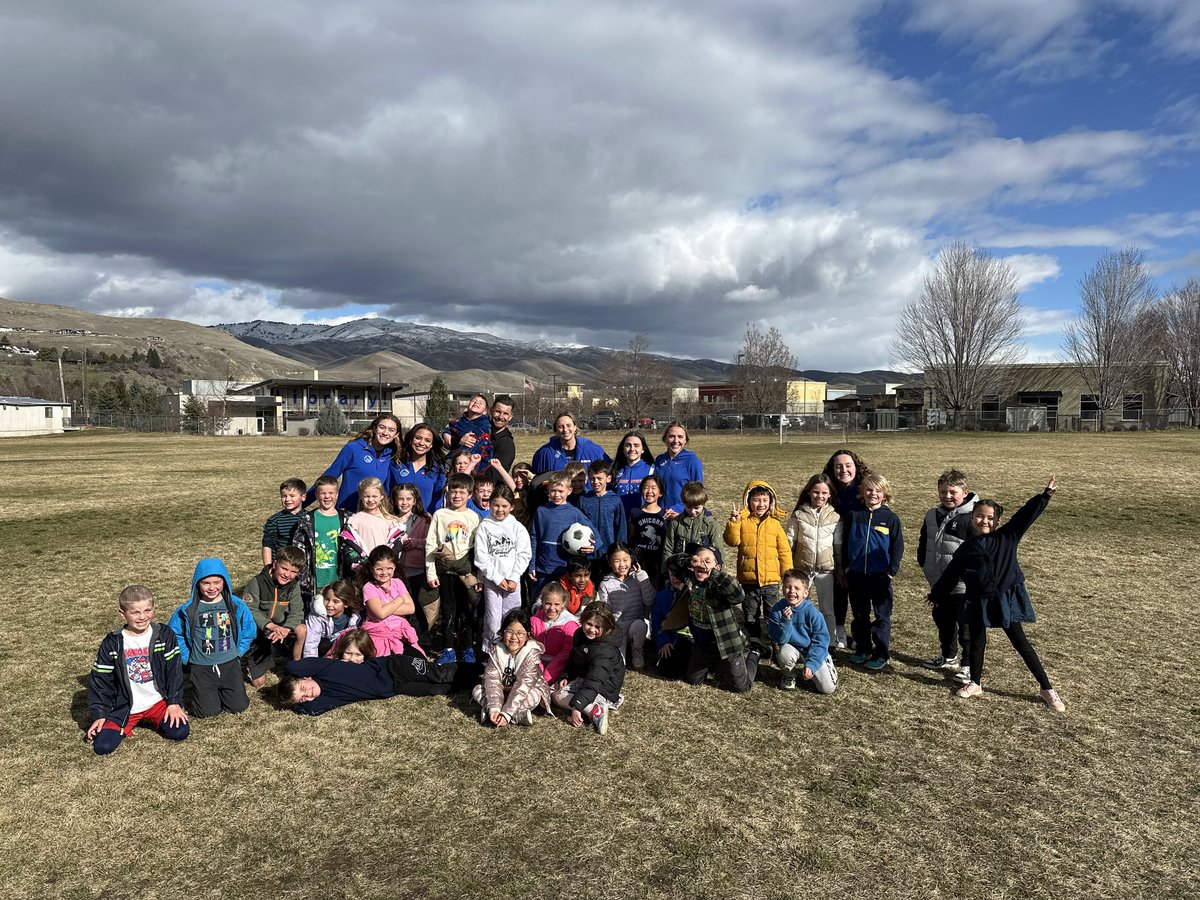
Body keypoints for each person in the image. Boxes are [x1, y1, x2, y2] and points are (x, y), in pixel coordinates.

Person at [929, 477, 1066, 711]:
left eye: (990, 518)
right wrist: (936, 594)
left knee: (1020, 642)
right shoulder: (966, 549)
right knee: (977, 641)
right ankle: (975, 682)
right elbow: (951, 574)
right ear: (972, 518)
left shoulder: (1007, 536)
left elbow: (1025, 516)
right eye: (980, 516)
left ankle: (1046, 688)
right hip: (977, 599)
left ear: (998, 521)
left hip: (1004, 598)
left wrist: (1044, 496)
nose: (984, 520)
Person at [86, 585, 189, 755]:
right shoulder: (112, 643)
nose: (142, 617)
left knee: (180, 732)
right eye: (135, 612)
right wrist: (100, 715)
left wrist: (174, 702)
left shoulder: (164, 634)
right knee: (102, 747)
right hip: (125, 706)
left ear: (153, 609)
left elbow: (174, 672)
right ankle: (127, 722)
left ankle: (156, 718)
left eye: (147, 610)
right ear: (122, 613)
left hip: (157, 702)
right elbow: (100, 681)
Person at [167, 558, 255, 718]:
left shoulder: (235, 605)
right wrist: (188, 658)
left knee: (239, 707)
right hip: (201, 667)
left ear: (225, 582)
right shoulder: (187, 610)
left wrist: (239, 651)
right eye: (206, 583)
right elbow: (174, 635)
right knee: (207, 712)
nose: (212, 587)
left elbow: (249, 629)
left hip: (230, 664)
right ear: (197, 584)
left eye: (217, 582)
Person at [917, 469, 977, 679]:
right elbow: (924, 541)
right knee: (943, 621)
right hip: (939, 583)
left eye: (952, 492)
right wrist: (924, 562)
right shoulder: (932, 515)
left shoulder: (972, 517)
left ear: (965, 491)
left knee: (966, 628)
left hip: (963, 586)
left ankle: (969, 665)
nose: (947, 496)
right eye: (943, 492)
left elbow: (977, 552)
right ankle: (948, 656)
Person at [843, 474, 904, 671]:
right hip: (857, 575)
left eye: (878, 491)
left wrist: (890, 572)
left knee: (881, 617)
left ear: (885, 494)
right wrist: (846, 566)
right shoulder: (854, 515)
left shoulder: (890, 518)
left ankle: (881, 653)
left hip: (880, 577)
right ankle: (863, 649)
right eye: (869, 490)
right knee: (860, 615)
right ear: (862, 492)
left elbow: (897, 547)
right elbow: (845, 543)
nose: (873, 494)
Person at [679, 545, 758, 693]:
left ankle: (753, 655)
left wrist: (713, 573)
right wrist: (689, 561)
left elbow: (738, 595)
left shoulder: (720, 585)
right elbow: (672, 563)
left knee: (743, 688)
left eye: (707, 561)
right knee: (693, 681)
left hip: (728, 645)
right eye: (698, 560)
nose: (702, 564)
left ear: (718, 567)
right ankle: (714, 663)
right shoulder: (691, 580)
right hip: (703, 646)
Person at [279, 652, 460, 716]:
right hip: (396, 687)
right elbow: (310, 710)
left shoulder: (323, 668)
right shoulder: (328, 698)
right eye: (303, 698)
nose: (308, 694)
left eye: (303, 688)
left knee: (440, 674)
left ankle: (482, 670)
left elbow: (292, 666)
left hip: (393, 667)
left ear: (306, 677)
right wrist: (295, 702)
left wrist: (287, 677)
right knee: (438, 689)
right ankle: (479, 684)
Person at [723, 479, 791, 647]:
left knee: (772, 613)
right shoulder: (742, 522)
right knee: (750, 613)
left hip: (771, 580)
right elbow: (731, 541)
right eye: (756, 500)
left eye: (764, 500)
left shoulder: (775, 524)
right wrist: (734, 523)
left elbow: (784, 551)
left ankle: (774, 641)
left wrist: (787, 574)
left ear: (770, 501)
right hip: (749, 580)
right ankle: (754, 639)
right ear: (748, 501)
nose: (761, 504)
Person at [425, 472, 483, 664]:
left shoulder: (474, 517)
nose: (457, 496)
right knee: (448, 611)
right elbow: (431, 544)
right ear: (448, 492)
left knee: (467, 611)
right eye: (453, 491)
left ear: (470, 494)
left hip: (466, 573)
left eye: (462, 492)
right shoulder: (440, 515)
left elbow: (479, 550)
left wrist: (479, 577)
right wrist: (431, 572)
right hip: (445, 573)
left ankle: (468, 648)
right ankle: (448, 648)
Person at [783, 473, 844, 646]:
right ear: (809, 492)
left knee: (827, 609)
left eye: (824, 493)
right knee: (799, 606)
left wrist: (839, 571)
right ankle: (799, 640)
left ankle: (830, 642)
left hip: (825, 570)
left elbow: (838, 547)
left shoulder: (835, 518)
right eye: (816, 492)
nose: (820, 496)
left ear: (830, 494)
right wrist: (789, 570)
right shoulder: (798, 515)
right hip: (802, 569)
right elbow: (790, 543)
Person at [474, 485, 532, 652]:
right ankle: (490, 652)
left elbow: (524, 554)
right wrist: (498, 579)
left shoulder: (517, 527)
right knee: (493, 621)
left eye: (504, 506)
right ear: (491, 504)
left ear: (511, 507)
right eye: (496, 505)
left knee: (512, 618)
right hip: (493, 581)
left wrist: (513, 578)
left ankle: (512, 652)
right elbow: (481, 557)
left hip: (513, 582)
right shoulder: (485, 526)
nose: (500, 510)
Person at [552, 602, 625, 735]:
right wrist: (566, 675)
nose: (591, 629)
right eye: (589, 624)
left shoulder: (606, 650)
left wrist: (577, 706)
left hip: (604, 687)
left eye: (598, 627)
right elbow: (574, 658)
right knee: (554, 690)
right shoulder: (580, 635)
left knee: (557, 696)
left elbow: (595, 679)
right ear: (582, 620)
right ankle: (590, 707)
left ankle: (595, 711)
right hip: (585, 678)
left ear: (607, 628)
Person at [822, 448, 871, 648]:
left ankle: (860, 635)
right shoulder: (829, 490)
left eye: (848, 465)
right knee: (838, 591)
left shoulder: (865, 489)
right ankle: (838, 629)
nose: (843, 470)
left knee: (859, 596)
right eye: (838, 466)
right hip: (836, 548)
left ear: (855, 467)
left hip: (860, 549)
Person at [307, 413, 403, 511]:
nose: (385, 433)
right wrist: (302, 504)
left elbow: (387, 489)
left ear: (396, 435)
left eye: (391, 430)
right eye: (382, 427)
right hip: (348, 511)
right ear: (374, 428)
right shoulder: (353, 448)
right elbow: (328, 477)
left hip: (374, 513)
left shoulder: (393, 456)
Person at [472, 609, 551, 727]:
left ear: (528, 635)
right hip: (502, 690)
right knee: (478, 690)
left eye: (520, 633)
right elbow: (492, 680)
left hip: (525, 691)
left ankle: (511, 715)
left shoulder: (531, 654)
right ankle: (494, 711)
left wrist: (507, 713)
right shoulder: (496, 650)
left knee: (534, 696)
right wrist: (494, 708)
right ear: (503, 632)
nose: (514, 637)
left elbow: (523, 686)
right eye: (509, 632)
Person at [241, 546, 306, 687]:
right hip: (259, 632)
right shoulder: (257, 582)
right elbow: (249, 609)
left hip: (280, 629)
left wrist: (286, 629)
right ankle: (251, 661)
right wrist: (271, 626)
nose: (287, 575)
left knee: (301, 629)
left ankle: (296, 666)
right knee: (258, 683)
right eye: (284, 568)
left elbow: (297, 611)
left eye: (294, 572)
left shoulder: (293, 586)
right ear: (275, 564)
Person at [766, 571, 838, 693]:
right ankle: (789, 674)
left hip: (812, 650)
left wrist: (811, 665)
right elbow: (779, 640)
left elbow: (820, 641)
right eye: (788, 587)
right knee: (784, 653)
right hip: (791, 648)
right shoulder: (777, 609)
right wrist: (786, 621)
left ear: (805, 593)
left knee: (827, 689)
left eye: (797, 588)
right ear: (783, 589)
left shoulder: (813, 613)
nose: (792, 591)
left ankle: (825, 661)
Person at [529, 469, 595, 596]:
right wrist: (532, 565)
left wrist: (593, 545)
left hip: (566, 569)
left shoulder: (574, 512)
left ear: (569, 491)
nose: (556, 494)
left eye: (560, 491)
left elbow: (594, 532)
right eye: (553, 490)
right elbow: (534, 537)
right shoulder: (541, 511)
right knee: (541, 600)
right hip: (544, 567)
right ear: (548, 490)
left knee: (565, 601)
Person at [291, 474, 350, 612]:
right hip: (314, 579)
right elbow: (299, 548)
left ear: (337, 494)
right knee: (316, 612)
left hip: (337, 577)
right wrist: (302, 575)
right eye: (323, 493)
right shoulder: (307, 519)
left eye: (331, 493)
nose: (327, 497)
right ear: (317, 495)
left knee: (336, 611)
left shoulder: (346, 518)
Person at [595, 542, 654, 668]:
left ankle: (637, 650)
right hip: (616, 628)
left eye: (625, 560)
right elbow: (604, 609)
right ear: (610, 563)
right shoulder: (606, 583)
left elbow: (649, 600)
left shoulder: (638, 577)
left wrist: (642, 577)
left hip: (634, 624)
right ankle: (620, 650)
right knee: (620, 664)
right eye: (616, 561)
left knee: (640, 625)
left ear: (631, 559)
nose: (622, 565)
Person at [359, 545, 423, 657]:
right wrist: (399, 600)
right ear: (371, 568)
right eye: (379, 569)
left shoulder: (397, 582)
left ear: (394, 567)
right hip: (379, 633)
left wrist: (385, 607)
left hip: (400, 630)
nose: (384, 573)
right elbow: (380, 614)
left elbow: (411, 608)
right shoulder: (369, 587)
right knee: (389, 660)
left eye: (389, 568)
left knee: (417, 658)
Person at [574, 459, 627, 566]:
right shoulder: (583, 499)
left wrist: (621, 551)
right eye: (592, 478)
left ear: (608, 478)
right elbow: (577, 525)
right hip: (587, 553)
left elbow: (620, 528)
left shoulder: (615, 500)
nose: (596, 482)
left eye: (599, 478)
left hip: (608, 554)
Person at [342, 476, 401, 570]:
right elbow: (351, 545)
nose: (370, 500)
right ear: (361, 496)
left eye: (374, 496)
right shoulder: (354, 520)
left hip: (383, 569)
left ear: (381, 496)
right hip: (363, 568)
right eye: (367, 496)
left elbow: (395, 546)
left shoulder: (390, 521)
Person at [650, 554, 693, 680]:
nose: (674, 578)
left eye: (678, 574)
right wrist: (663, 641)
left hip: (693, 640)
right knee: (667, 671)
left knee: (690, 674)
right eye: (671, 574)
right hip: (673, 639)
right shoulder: (662, 595)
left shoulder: (694, 592)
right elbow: (657, 621)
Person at [661, 481, 720, 571]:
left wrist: (719, 575)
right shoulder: (675, 523)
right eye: (689, 507)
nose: (692, 511)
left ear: (703, 504)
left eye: (696, 508)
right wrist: (666, 572)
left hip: (702, 572)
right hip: (680, 571)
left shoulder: (711, 524)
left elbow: (718, 552)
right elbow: (668, 549)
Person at [389, 482, 432, 602]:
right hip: (395, 570)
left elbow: (430, 542)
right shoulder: (389, 520)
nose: (404, 503)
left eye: (408, 499)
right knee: (399, 601)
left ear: (414, 501)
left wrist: (414, 542)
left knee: (418, 602)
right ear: (395, 500)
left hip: (417, 568)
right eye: (401, 499)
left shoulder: (424, 520)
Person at [300, 579, 363, 659]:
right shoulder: (317, 616)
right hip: (323, 647)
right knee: (324, 644)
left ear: (346, 604)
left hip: (341, 649)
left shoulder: (355, 617)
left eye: (336, 602)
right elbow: (311, 642)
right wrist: (310, 665)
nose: (329, 604)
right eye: (327, 599)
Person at [531, 412, 611, 475]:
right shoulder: (544, 453)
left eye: (568, 425)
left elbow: (610, 473)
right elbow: (537, 480)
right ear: (556, 430)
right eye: (561, 427)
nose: (565, 429)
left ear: (575, 427)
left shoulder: (593, 450)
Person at [530, 583, 579, 684]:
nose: (552, 608)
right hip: (538, 660)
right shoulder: (534, 620)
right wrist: (539, 668)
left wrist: (547, 675)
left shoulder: (569, 625)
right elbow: (531, 646)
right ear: (542, 602)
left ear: (563, 604)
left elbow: (566, 653)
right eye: (548, 603)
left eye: (556, 604)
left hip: (559, 665)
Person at [393, 422, 447, 513]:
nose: (421, 443)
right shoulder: (396, 464)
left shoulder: (437, 469)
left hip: (424, 522)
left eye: (427, 440)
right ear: (411, 440)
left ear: (431, 445)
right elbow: (387, 490)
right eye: (418, 438)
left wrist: (431, 515)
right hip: (396, 520)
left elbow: (438, 497)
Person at [654, 422, 704, 517]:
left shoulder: (692, 461)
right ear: (665, 439)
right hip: (660, 513)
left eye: (680, 437)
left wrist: (679, 509)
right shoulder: (659, 459)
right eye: (672, 436)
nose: (676, 440)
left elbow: (698, 493)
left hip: (681, 514)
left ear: (685, 440)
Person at [629, 474, 667, 586]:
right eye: (646, 487)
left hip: (657, 561)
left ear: (660, 493)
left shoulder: (665, 514)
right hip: (639, 558)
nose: (649, 491)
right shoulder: (635, 512)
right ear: (641, 491)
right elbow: (631, 536)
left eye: (653, 488)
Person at [442, 393, 494, 475]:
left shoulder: (485, 427)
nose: (476, 403)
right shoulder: (458, 421)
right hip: (451, 462)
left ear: (485, 411)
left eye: (481, 403)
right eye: (474, 401)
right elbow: (447, 430)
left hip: (470, 465)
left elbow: (475, 444)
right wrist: (446, 435)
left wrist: (453, 441)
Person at [262, 478, 306, 567]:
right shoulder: (274, 520)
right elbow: (267, 545)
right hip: (281, 566)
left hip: (303, 567)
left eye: (292, 496)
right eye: (284, 496)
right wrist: (268, 568)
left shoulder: (309, 518)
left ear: (303, 497)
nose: (287, 499)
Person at [610, 430, 655, 518]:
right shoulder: (614, 468)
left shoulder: (652, 469)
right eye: (628, 445)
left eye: (636, 445)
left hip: (643, 519)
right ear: (623, 449)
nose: (632, 449)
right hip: (619, 519)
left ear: (643, 449)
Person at [489, 394, 517, 473]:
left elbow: (495, 476)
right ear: (491, 411)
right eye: (498, 411)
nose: (501, 417)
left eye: (505, 413)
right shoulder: (480, 431)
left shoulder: (506, 444)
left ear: (510, 417)